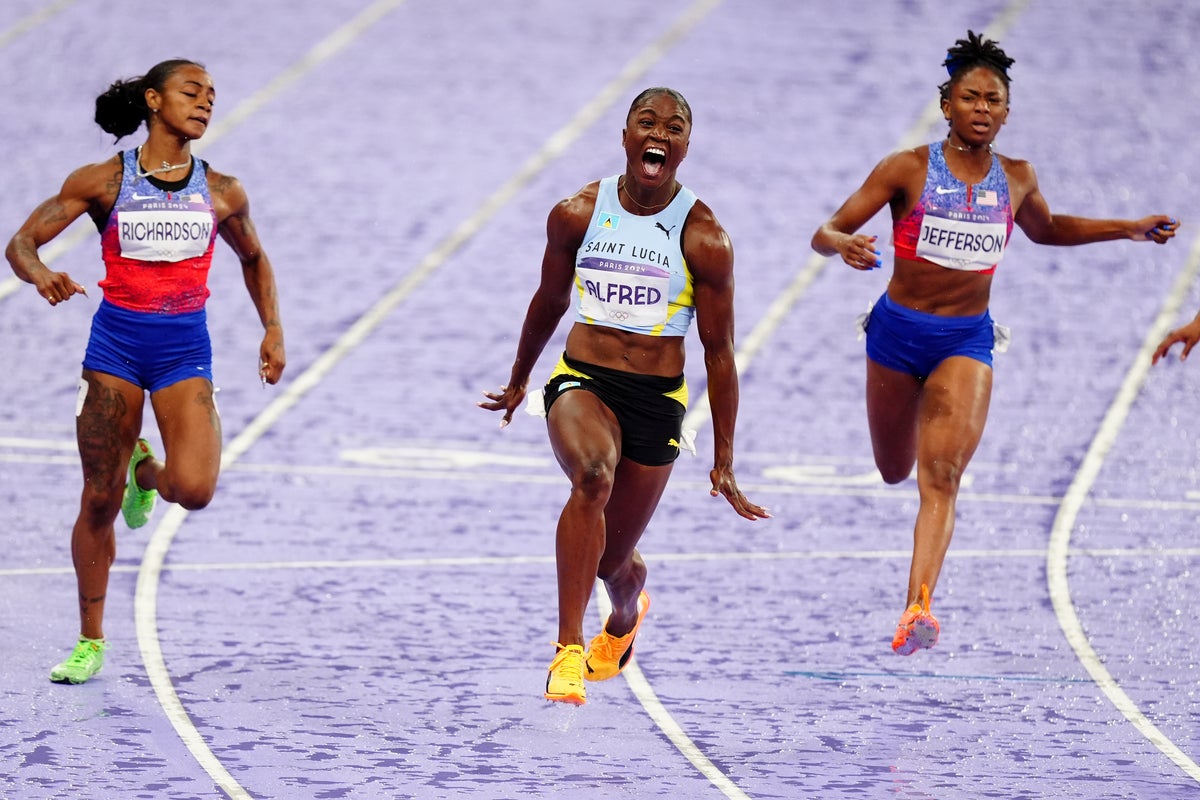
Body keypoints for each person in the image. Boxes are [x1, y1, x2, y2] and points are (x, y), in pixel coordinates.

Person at [810, 31, 1178, 656]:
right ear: (946, 105)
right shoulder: (906, 168)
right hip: (896, 336)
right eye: (970, 97)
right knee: (895, 469)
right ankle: (915, 436)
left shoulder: (1018, 177)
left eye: (994, 100)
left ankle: (918, 606)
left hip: (966, 340)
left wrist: (1128, 229)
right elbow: (827, 230)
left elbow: (1048, 229)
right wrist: (841, 243)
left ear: (1007, 112)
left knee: (942, 476)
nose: (982, 108)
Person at [479, 87, 769, 705]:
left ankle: (627, 611)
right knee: (592, 477)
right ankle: (568, 651)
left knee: (612, 562)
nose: (659, 133)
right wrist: (520, 377)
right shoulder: (578, 214)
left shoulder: (705, 238)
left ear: (685, 146)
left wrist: (725, 457)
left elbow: (719, 352)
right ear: (626, 137)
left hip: (657, 400)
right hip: (583, 381)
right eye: (647, 122)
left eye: (674, 127)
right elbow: (550, 300)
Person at [5, 59, 286, 684]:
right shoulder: (104, 181)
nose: (205, 102)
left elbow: (254, 258)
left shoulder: (222, 191)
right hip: (116, 351)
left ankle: (146, 473)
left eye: (212, 95)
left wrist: (272, 327)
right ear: (154, 101)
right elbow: (21, 243)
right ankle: (90, 640)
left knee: (194, 489)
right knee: (97, 499)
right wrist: (41, 274)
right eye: (192, 91)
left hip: (184, 352)